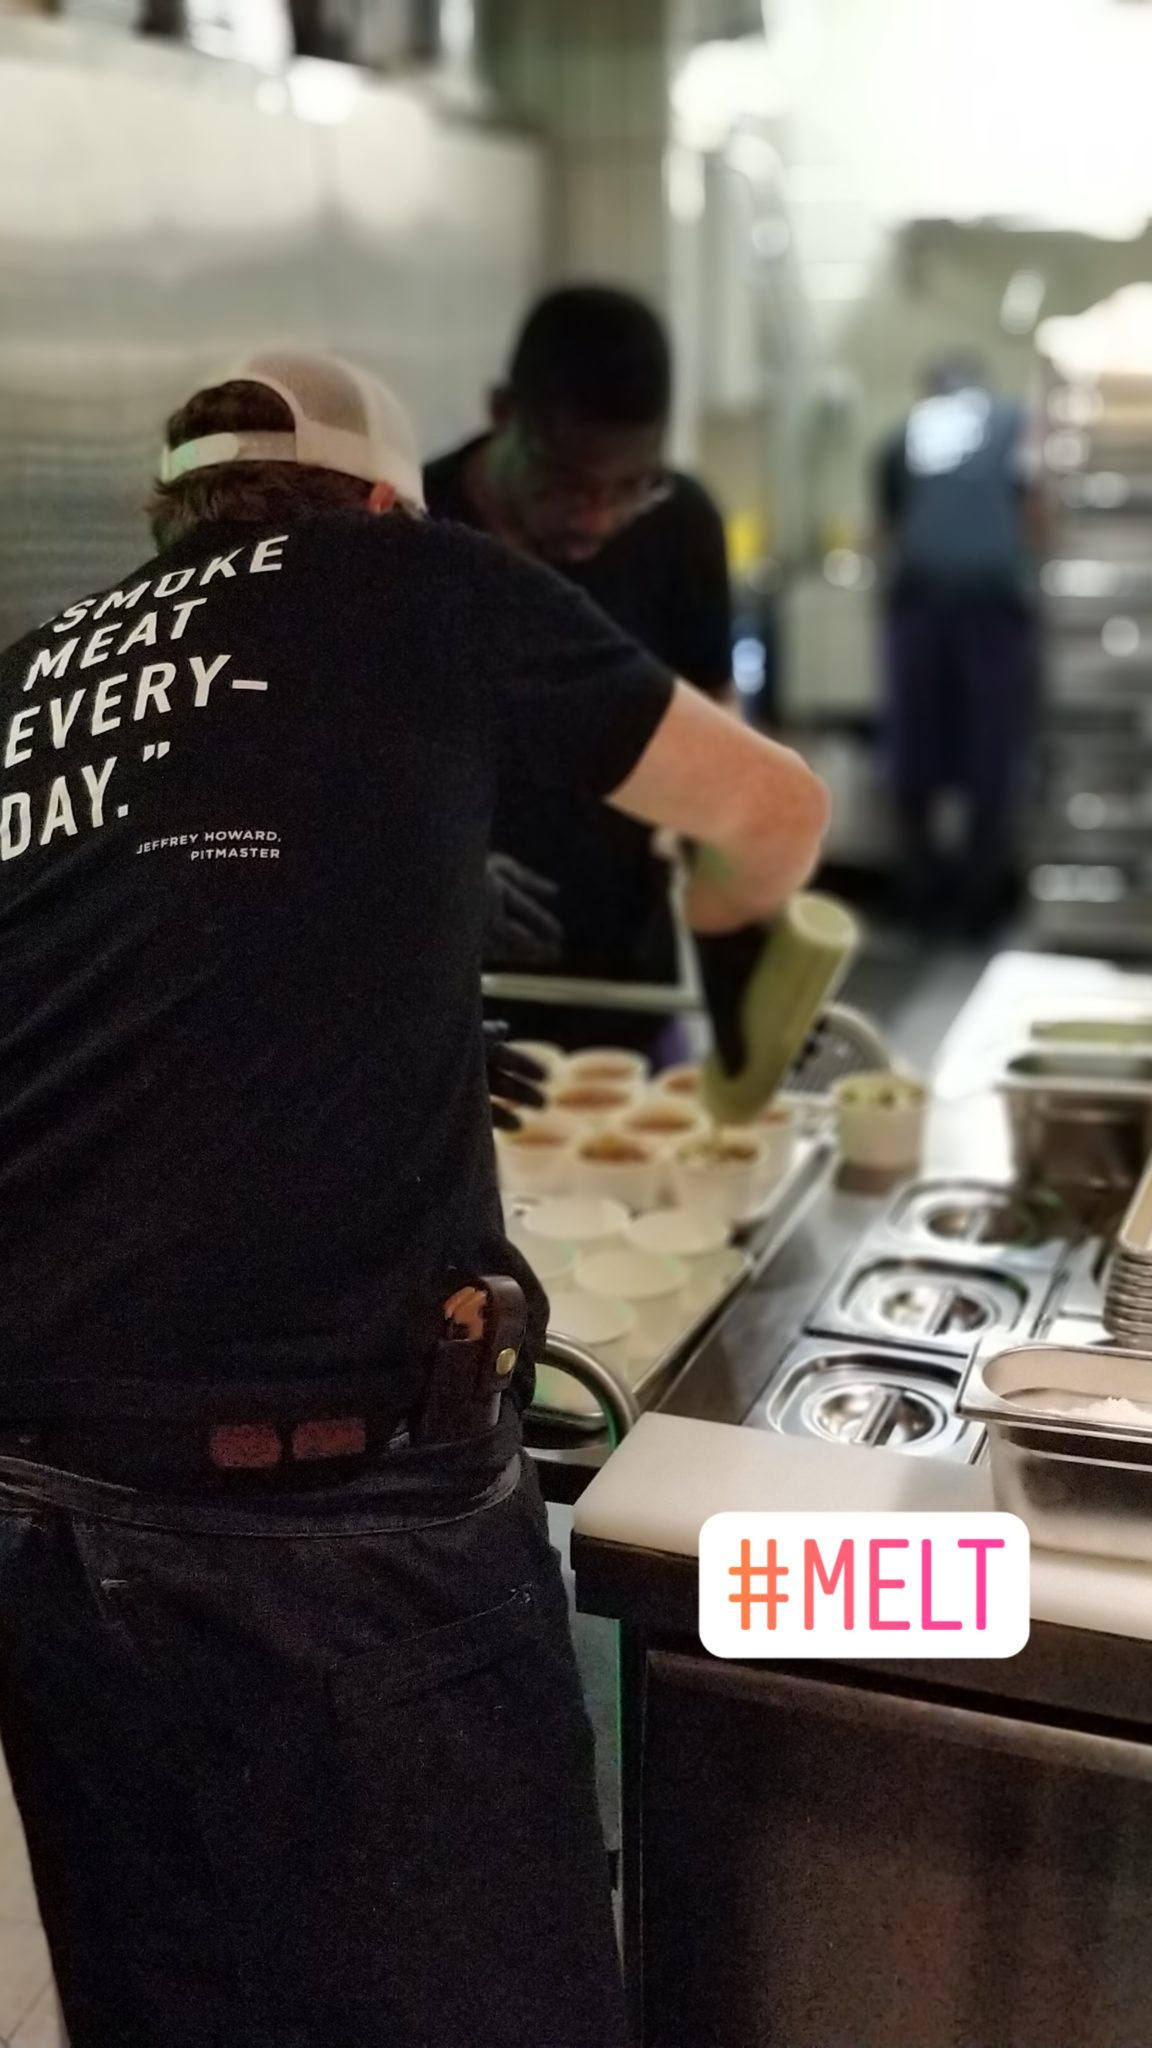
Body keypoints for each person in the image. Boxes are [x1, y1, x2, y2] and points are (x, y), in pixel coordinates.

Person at [0, 348, 827, 2048]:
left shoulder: (27, 676)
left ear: (168, 522)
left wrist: (373, 980)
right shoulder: (414, 579)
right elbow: (769, 811)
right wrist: (744, 1013)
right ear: (384, 502)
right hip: (335, 1515)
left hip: (38, 1517)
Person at [426, 284, 735, 1055]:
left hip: (628, 985)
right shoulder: (410, 537)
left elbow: (714, 738)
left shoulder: (681, 526)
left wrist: (741, 931)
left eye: (630, 488)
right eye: (564, 484)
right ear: (503, 414)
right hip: (451, 1007)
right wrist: (434, 867)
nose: (596, 517)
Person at [874, 353, 1046, 936]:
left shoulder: (904, 438)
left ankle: (924, 893)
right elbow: (1033, 512)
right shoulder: (1014, 431)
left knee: (918, 753)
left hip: (927, 606)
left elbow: (890, 525)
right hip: (988, 610)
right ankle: (977, 898)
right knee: (988, 752)